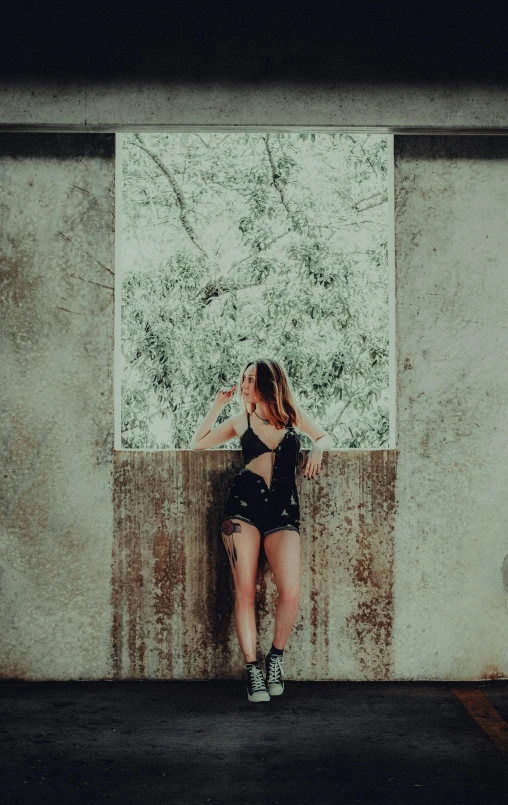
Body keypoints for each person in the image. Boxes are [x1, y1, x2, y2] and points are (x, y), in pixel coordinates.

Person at [190, 358, 333, 702]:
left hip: (282, 513)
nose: (244, 385)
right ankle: (253, 669)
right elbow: (198, 443)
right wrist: (217, 405)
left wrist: (317, 448)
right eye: (244, 379)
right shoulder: (243, 421)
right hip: (242, 511)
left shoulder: (292, 417)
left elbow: (324, 435)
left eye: (251, 379)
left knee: (292, 591)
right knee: (245, 592)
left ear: (269, 382)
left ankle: (275, 659)